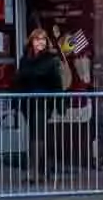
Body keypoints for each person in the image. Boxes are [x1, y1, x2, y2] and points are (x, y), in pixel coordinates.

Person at [12, 26, 65, 183]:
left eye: (43, 39)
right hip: (28, 102)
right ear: (31, 42)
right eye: (37, 39)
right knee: (34, 134)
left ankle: (34, 172)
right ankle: (44, 171)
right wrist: (16, 102)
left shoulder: (51, 60)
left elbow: (57, 83)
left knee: (38, 135)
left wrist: (60, 103)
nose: (40, 42)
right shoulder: (25, 60)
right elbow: (19, 81)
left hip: (43, 101)